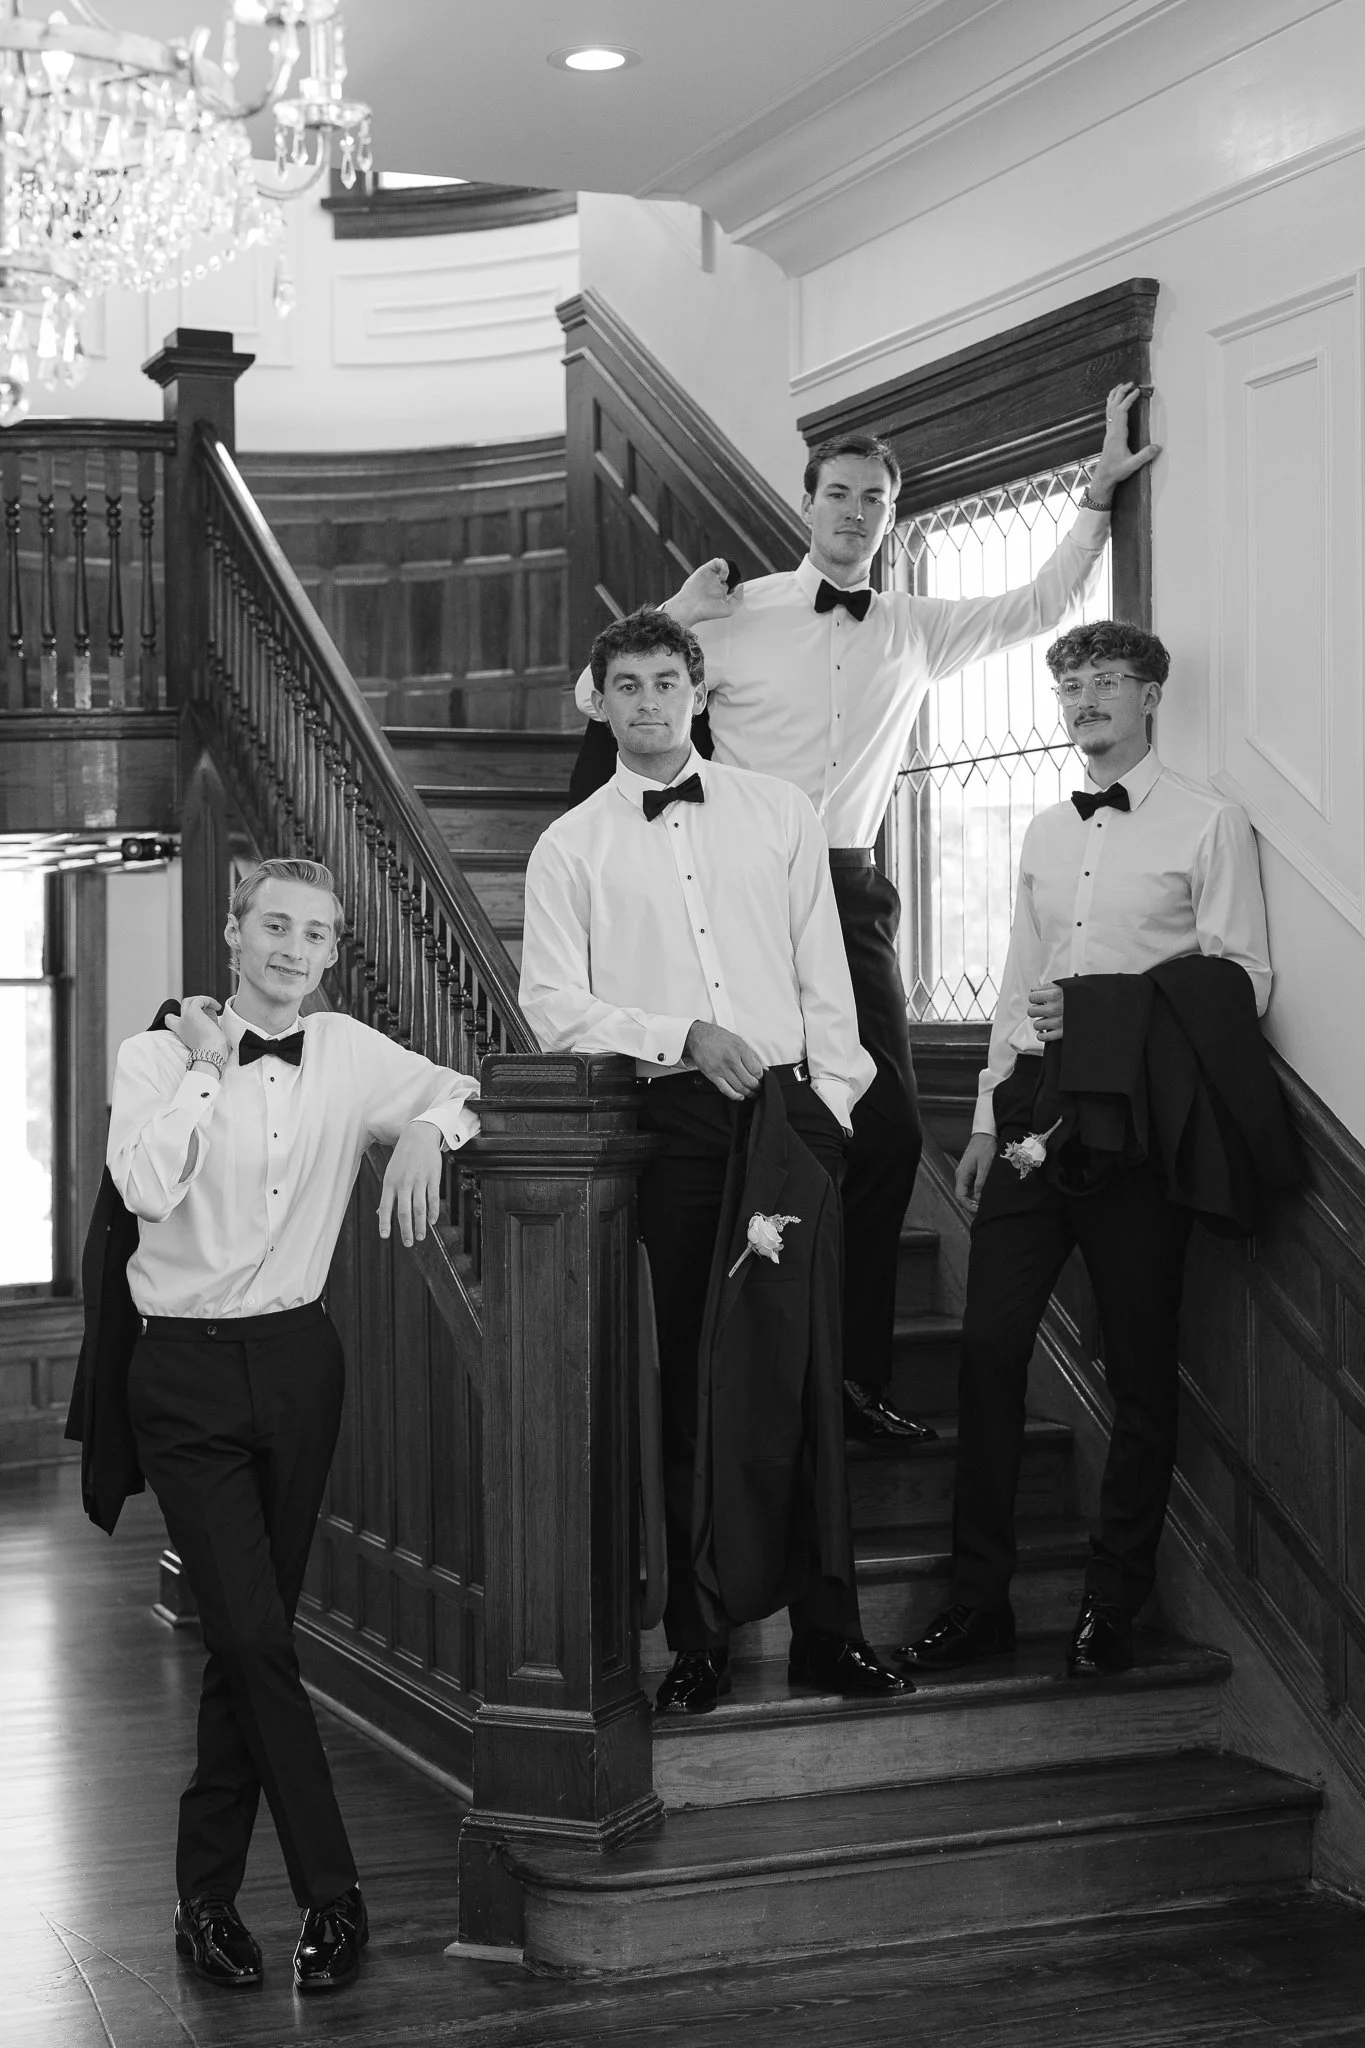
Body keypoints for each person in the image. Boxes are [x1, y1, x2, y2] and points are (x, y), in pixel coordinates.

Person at [570, 386, 1160, 1446]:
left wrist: (1098, 495)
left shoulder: (914, 630)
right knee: (752, 1116)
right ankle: (746, 1369)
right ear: (807, 504)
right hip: (737, 879)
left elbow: (1035, 605)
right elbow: (601, 694)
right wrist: (684, 606)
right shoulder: (735, 610)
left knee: (882, 1132)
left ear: (890, 515)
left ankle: (849, 1376)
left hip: (848, 888)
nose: (854, 510)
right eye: (838, 492)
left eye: (874, 498)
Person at [521, 607, 906, 1712]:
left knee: (805, 1377)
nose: (648, 703)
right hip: (675, 1128)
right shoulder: (570, 845)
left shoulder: (782, 811)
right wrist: (678, 1032)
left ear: (698, 691)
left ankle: (831, 1631)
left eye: (665, 682)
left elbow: (824, 974)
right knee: (692, 1380)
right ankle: (702, 1636)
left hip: (791, 1121)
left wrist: (830, 1108)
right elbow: (552, 1006)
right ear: (601, 700)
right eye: (626, 686)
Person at [108, 857, 479, 1993]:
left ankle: (206, 1899)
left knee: (245, 1631)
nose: (292, 947)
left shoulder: (353, 1050)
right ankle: (334, 1889)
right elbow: (143, 1183)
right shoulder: (154, 1057)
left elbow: (466, 1083)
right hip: (183, 1371)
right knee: (260, 1635)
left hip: (301, 1364)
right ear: (234, 932)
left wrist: (430, 1130)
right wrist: (212, 1067)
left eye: (314, 933)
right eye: (274, 924)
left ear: (330, 953)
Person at [898, 623, 1276, 1679]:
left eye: (1106, 681)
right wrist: (981, 1117)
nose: (1083, 700)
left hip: (1139, 1125)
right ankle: (979, 1600)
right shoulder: (1042, 834)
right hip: (1030, 1114)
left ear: (1150, 694)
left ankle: (1115, 1600)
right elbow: (1021, 979)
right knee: (986, 1350)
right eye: (1069, 684)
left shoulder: (1210, 822)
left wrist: (1110, 1015)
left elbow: (1244, 982)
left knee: (1143, 1369)